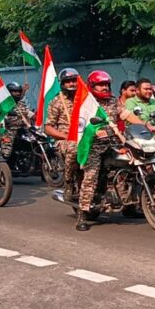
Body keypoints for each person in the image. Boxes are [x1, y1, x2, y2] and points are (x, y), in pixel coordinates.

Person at [75, 71, 123, 231]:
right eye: (100, 85)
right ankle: (82, 214)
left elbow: (125, 114)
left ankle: (130, 204)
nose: (105, 87)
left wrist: (144, 125)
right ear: (92, 86)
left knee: (130, 166)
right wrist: (94, 131)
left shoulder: (113, 100)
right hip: (93, 146)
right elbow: (81, 123)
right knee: (91, 176)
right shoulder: (87, 102)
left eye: (106, 84)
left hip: (112, 144)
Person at [45, 68, 82, 201]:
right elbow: (48, 127)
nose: (72, 84)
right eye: (68, 81)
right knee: (73, 148)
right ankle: (69, 182)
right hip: (66, 139)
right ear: (62, 84)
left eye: (74, 80)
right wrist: (66, 136)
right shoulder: (57, 101)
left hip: (87, 136)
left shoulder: (85, 98)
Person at [0, 82, 34, 160]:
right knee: (6, 152)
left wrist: (38, 116)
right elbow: (0, 118)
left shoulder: (21, 103)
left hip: (23, 130)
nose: (17, 93)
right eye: (15, 91)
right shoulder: (3, 105)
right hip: (10, 131)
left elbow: (29, 113)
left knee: (34, 144)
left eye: (19, 91)